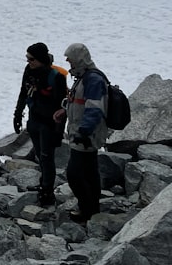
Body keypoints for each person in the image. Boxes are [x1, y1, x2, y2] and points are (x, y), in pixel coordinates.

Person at [54, 42, 108, 223]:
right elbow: (79, 102)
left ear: (79, 59)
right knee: (90, 172)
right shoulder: (84, 77)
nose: (69, 63)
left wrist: (84, 131)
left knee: (75, 174)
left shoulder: (92, 80)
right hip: (82, 133)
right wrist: (65, 109)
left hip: (85, 135)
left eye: (70, 60)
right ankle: (93, 209)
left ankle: (86, 210)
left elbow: (94, 108)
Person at [13, 42, 67, 205]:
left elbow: (62, 106)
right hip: (34, 119)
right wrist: (17, 114)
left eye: (32, 59)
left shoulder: (56, 77)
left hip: (49, 124)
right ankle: (44, 184)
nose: (28, 62)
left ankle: (47, 191)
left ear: (42, 59)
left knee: (46, 156)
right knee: (40, 155)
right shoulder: (29, 71)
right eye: (27, 58)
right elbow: (23, 93)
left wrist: (58, 132)